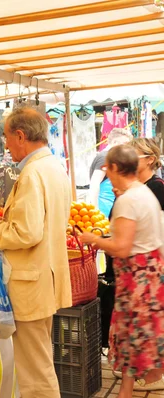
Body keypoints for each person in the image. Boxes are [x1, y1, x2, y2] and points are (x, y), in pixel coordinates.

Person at [0, 107, 72, 398]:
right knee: (39, 361)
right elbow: (38, 221)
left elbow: (27, 233)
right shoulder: (54, 167)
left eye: (6, 138)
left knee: (35, 373)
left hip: (31, 282)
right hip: (45, 277)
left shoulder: (32, 173)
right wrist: (1, 222)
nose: (6, 145)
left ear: (20, 135)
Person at [80, 145, 164, 396]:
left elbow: (122, 247)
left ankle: (128, 391)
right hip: (148, 276)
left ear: (116, 168)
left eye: (107, 167)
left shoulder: (129, 199)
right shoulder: (141, 192)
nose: (106, 172)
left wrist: (92, 239)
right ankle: (126, 391)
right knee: (134, 336)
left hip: (137, 279)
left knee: (132, 336)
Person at [88, 128, 132, 218]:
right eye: (125, 144)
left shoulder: (112, 157)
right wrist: (95, 209)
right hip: (103, 208)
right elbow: (94, 184)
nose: (126, 148)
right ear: (115, 142)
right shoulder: (105, 157)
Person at [130, 138, 164, 209]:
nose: (128, 160)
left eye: (133, 156)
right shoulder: (129, 184)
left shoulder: (158, 186)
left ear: (150, 159)